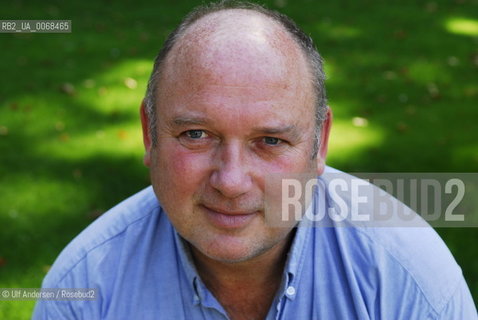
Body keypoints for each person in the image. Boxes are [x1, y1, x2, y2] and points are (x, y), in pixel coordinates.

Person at [33, 1, 477, 319]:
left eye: (269, 141)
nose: (231, 180)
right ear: (150, 135)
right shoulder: (85, 290)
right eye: (196, 134)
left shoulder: (405, 274)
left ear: (319, 145)